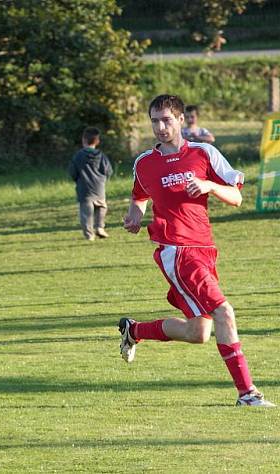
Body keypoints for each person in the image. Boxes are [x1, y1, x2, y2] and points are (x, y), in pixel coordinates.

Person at [120, 94, 273, 407]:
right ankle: (247, 393)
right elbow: (139, 196)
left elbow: (236, 197)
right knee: (224, 312)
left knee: (198, 331)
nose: (160, 127)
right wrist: (135, 216)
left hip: (204, 248)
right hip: (176, 250)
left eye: (166, 120)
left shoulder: (204, 153)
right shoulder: (145, 163)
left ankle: (134, 330)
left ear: (180, 119)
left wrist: (209, 186)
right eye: (154, 121)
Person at [68, 127, 113, 240]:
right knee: (102, 207)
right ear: (97, 141)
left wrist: (77, 180)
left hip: (84, 189)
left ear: (83, 140)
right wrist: (103, 180)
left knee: (86, 213)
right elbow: (108, 171)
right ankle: (99, 227)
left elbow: (72, 171)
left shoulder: (78, 156)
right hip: (99, 188)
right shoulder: (101, 156)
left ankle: (89, 235)